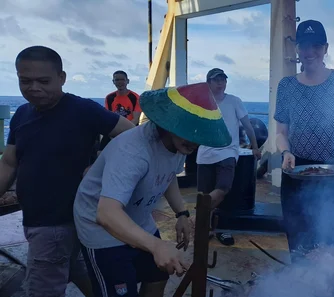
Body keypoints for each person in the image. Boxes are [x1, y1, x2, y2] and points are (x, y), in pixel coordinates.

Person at [73, 82, 232, 297]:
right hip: (100, 227)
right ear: (169, 123)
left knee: (158, 275)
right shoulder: (133, 151)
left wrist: (181, 213)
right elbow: (107, 214)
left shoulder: (179, 144)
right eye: (189, 133)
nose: (195, 142)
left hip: (138, 218)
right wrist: (156, 246)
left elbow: (167, 176)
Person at [0, 45, 134, 297]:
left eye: (43, 81)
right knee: (74, 266)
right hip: (35, 216)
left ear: (61, 78)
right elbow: (8, 162)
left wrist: (99, 165)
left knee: (42, 288)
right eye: (25, 81)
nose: (34, 88)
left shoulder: (82, 109)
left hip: (58, 220)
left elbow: (130, 136)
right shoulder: (22, 113)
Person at [274, 19, 334, 252]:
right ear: (297, 49)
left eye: (316, 46)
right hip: (297, 172)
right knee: (300, 244)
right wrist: (285, 152)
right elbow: (281, 132)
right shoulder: (286, 86)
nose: (309, 52)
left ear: (325, 48)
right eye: (304, 46)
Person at [196, 68, 261, 245]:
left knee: (223, 188)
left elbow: (247, 125)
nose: (220, 83)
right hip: (205, 154)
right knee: (205, 193)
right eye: (216, 80)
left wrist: (255, 147)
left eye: (223, 80)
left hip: (227, 151)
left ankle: (207, 223)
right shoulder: (201, 103)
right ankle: (207, 227)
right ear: (208, 83)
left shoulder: (234, 101)